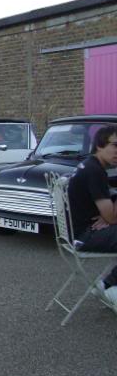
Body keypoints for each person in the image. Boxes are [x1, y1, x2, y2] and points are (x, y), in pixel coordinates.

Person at [68, 125, 117, 304]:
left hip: (81, 230)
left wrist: (107, 215)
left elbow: (109, 216)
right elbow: (112, 218)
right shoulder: (94, 171)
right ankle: (113, 289)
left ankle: (105, 285)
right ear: (100, 145)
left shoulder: (91, 164)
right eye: (115, 145)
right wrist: (108, 216)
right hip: (86, 235)